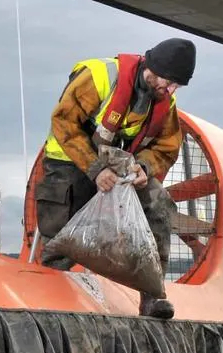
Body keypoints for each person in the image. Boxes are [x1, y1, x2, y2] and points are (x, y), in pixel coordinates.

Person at [35, 37, 197, 319]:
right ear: (152, 69)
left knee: (158, 204)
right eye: (169, 82)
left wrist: (144, 168)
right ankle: (48, 293)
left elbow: (167, 146)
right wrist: (96, 169)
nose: (171, 90)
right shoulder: (99, 76)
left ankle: (153, 297)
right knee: (61, 226)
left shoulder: (165, 103)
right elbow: (64, 122)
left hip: (122, 169)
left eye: (177, 86)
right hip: (69, 161)